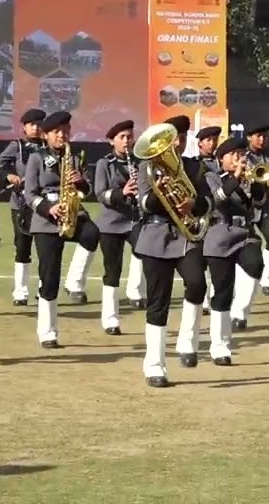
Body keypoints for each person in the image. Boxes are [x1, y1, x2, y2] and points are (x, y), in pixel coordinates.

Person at [132, 114, 213, 387]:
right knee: (158, 301)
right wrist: (162, 192)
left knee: (197, 283)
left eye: (179, 138)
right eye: (171, 139)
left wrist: (193, 203)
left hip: (185, 236)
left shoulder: (194, 167)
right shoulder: (146, 167)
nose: (176, 143)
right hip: (155, 235)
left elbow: (208, 202)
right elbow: (144, 203)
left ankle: (188, 341)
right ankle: (154, 365)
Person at [24, 111, 99, 349]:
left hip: (73, 214)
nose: (62, 136)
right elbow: (30, 195)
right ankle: (47, 331)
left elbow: (87, 191)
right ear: (46, 135)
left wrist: (80, 182)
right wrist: (48, 209)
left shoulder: (76, 157)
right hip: (47, 220)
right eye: (57, 132)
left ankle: (75, 281)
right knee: (49, 276)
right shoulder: (36, 158)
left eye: (65, 131)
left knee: (92, 234)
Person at [203, 137, 267, 365]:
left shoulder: (248, 177)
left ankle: (240, 312)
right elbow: (218, 200)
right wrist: (235, 179)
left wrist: (258, 182)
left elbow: (258, 204)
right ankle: (220, 346)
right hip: (220, 234)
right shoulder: (212, 176)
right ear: (222, 159)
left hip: (245, 233)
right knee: (222, 292)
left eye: (242, 153)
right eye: (234, 155)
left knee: (255, 264)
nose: (240, 158)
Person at [0, 107, 46, 306]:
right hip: (20, 203)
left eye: (40, 124)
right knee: (22, 247)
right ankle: (21, 292)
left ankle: (44, 290)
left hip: (44, 205)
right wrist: (8, 175)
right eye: (32, 125)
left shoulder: (50, 147)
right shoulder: (17, 146)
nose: (36, 128)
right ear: (24, 127)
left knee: (45, 249)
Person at [93, 119, 141, 333]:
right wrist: (123, 193)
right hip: (111, 223)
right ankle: (110, 318)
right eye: (122, 137)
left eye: (129, 136)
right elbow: (100, 194)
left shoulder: (140, 163)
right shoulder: (105, 163)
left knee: (146, 253)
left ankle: (137, 292)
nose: (127, 141)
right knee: (112, 271)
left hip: (135, 220)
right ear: (112, 141)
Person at [244, 123, 269, 296]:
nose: (262, 139)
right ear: (249, 137)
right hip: (246, 206)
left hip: (265, 204)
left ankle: (267, 279)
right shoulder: (242, 154)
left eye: (265, 136)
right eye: (258, 136)